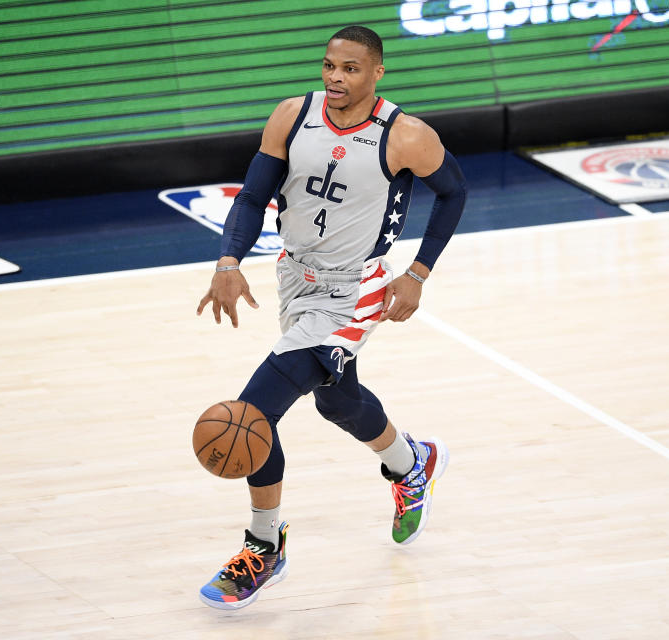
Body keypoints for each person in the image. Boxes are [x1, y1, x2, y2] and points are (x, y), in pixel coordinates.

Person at [195, 25, 467, 610]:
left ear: (377, 74)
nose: (336, 78)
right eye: (329, 66)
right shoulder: (293, 116)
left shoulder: (406, 136)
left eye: (350, 69)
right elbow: (249, 196)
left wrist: (416, 274)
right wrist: (228, 260)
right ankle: (410, 463)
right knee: (336, 399)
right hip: (295, 275)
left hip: (354, 290)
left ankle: (263, 549)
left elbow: (454, 193)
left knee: (253, 413)